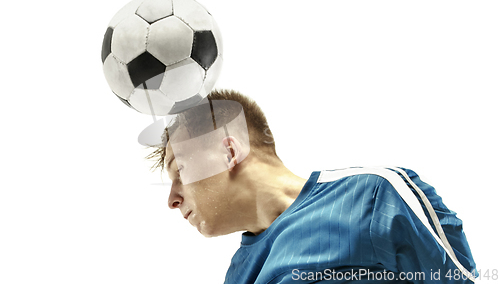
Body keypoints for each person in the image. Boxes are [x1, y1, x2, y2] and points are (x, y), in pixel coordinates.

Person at [146, 89, 476, 284]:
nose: (172, 199)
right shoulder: (238, 275)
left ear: (228, 152)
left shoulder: (376, 195)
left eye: (181, 170)